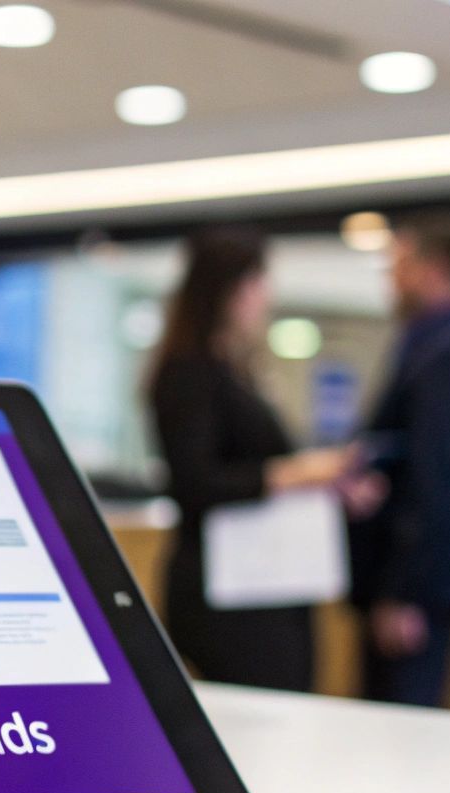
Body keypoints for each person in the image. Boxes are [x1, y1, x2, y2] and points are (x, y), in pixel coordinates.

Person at [148, 228, 354, 691]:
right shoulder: (189, 374)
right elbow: (195, 483)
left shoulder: (237, 370)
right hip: (229, 588)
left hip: (266, 585)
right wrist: (296, 474)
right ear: (229, 289)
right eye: (259, 282)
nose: (266, 297)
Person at [348, 212, 450, 707]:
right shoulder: (428, 346)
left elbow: (440, 480)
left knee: (401, 739)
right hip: (402, 584)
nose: (391, 280)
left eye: (399, 265)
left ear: (434, 268)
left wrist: (407, 592)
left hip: (414, 593)